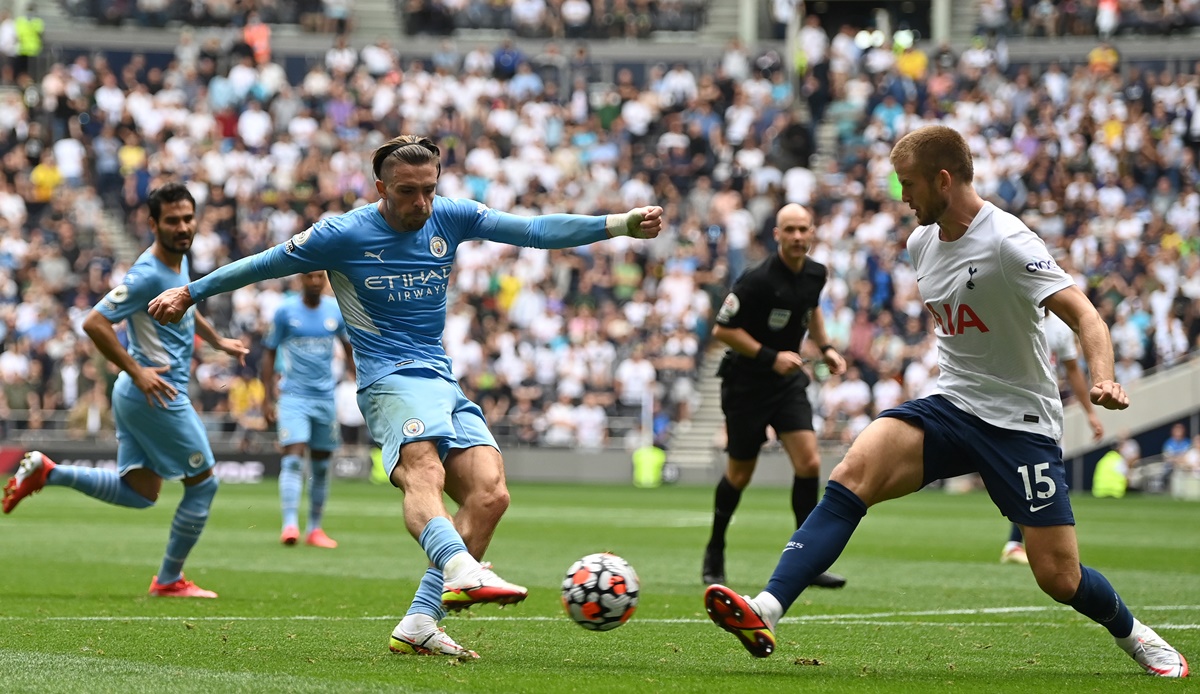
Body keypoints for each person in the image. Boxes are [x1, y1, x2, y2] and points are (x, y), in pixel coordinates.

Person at [146, 135, 663, 658]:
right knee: (426, 473)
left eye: (429, 190)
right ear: (380, 188)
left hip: (439, 377)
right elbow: (264, 263)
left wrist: (617, 224)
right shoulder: (342, 233)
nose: (421, 203)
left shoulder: (450, 217)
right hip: (388, 379)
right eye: (408, 192)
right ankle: (462, 568)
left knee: (490, 494)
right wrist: (191, 292)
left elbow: (532, 229)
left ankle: (420, 621)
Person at [703, 125, 1188, 678]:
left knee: (1059, 577)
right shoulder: (921, 243)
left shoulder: (1009, 241)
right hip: (953, 404)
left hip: (1020, 423)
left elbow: (1086, 315)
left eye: (908, 186)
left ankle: (1139, 638)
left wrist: (1104, 379)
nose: (901, 198)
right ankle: (765, 609)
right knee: (852, 472)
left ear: (943, 179)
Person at [2, 182, 249, 598]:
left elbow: (182, 302)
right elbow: (94, 322)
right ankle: (169, 580)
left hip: (139, 394)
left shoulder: (176, 263)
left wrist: (218, 341)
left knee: (140, 494)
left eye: (188, 219)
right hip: (156, 393)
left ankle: (50, 471)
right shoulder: (148, 272)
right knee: (203, 483)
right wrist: (137, 371)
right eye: (173, 221)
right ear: (153, 223)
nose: (183, 227)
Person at [703, 203, 848, 589]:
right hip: (746, 385)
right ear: (777, 235)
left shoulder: (816, 273)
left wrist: (827, 347)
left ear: (812, 232)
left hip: (786, 383)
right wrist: (770, 356)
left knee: (809, 461)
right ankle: (715, 549)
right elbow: (723, 330)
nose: (798, 236)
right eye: (791, 230)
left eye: (804, 229)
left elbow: (811, 312)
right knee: (739, 474)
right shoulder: (757, 279)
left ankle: (807, 560)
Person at [1000, 309, 1105, 565]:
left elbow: (1073, 370)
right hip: (1011, 407)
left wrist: (1090, 413)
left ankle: (1019, 543)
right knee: (1031, 477)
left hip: (1045, 411)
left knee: (1041, 476)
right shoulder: (1016, 315)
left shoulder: (1059, 328)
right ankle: (1023, 543)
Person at [262, 271, 355, 548]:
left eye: (319, 277)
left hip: (325, 397)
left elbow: (348, 347)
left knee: (322, 465)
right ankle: (289, 524)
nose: (315, 282)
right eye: (310, 277)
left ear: (325, 280)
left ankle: (315, 529)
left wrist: (358, 379)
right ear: (300, 280)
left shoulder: (334, 312)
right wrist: (267, 397)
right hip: (293, 396)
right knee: (292, 457)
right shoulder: (285, 312)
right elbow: (268, 352)